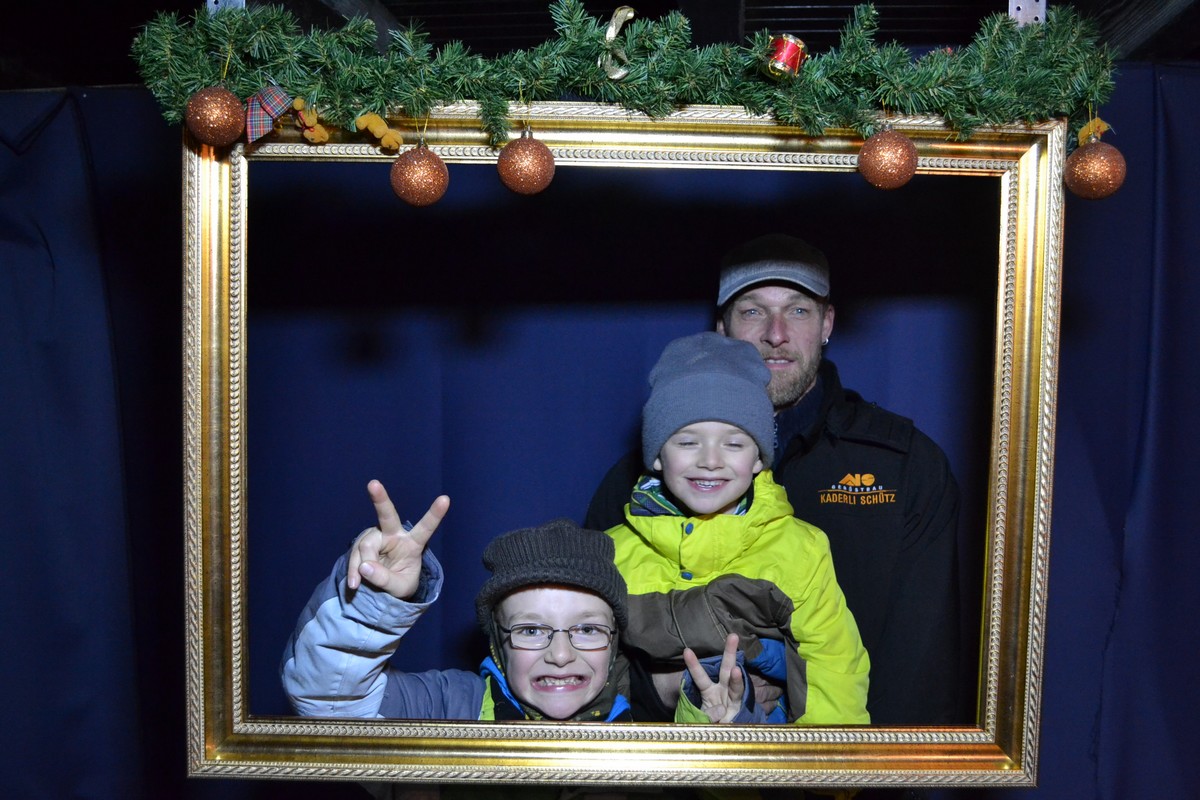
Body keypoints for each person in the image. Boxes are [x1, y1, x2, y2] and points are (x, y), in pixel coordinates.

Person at [586, 234, 962, 726]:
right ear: (722, 328)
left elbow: (924, 667)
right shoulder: (637, 483)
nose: (777, 334)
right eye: (753, 311)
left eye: (798, 310)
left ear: (827, 323)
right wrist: (668, 691)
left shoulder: (904, 464)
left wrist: (849, 766)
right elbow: (586, 651)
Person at [282, 480, 759, 724]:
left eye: (587, 629)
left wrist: (719, 740)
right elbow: (329, 700)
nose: (560, 654)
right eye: (531, 630)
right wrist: (374, 600)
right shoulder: (452, 707)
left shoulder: (649, 720)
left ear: (615, 641)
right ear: (498, 644)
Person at [604, 331, 870, 726]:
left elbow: (834, 665)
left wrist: (826, 761)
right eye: (688, 442)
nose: (711, 461)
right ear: (657, 455)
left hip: (762, 757)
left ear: (759, 458)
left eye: (734, 444)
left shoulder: (801, 548)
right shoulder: (609, 553)